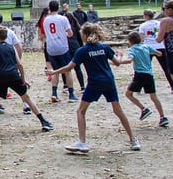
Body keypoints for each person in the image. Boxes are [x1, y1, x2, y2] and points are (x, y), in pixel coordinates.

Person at [46, 23, 141, 154]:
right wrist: (119, 55)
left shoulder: (82, 51)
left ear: (85, 35)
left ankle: (82, 142)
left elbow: (69, 67)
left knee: (80, 111)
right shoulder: (104, 47)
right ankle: (133, 140)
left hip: (94, 83)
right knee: (118, 110)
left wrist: (53, 72)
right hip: (109, 81)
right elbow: (117, 63)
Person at [0, 26, 53, 134]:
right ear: (6, 36)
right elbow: (20, 64)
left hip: (1, 76)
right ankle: (43, 121)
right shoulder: (12, 47)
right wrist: (23, 79)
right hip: (14, 74)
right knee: (26, 98)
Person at [117, 31, 169, 127]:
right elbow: (159, 53)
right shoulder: (145, 47)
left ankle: (143, 109)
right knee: (153, 96)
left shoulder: (132, 49)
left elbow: (129, 60)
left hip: (140, 75)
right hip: (149, 74)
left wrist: (119, 58)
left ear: (130, 41)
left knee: (128, 94)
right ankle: (162, 117)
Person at [43, 0, 78, 102]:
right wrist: (65, 35)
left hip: (50, 47)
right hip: (62, 47)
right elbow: (70, 33)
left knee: (55, 71)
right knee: (67, 71)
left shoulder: (46, 20)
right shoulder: (63, 19)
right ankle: (71, 94)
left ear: (49, 8)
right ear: (58, 8)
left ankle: (54, 93)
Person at [138, 9, 173, 93]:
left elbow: (141, 38)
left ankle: (140, 86)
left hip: (148, 47)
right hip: (160, 46)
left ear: (146, 16)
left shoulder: (143, 25)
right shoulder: (159, 23)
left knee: (145, 68)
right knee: (166, 68)